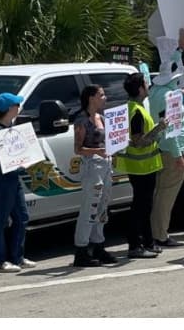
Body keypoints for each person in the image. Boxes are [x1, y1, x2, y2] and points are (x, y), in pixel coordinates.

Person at [0, 93, 36, 272]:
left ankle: (17, 257)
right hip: (0, 180)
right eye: (17, 105)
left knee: (22, 217)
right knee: (0, 220)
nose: (19, 108)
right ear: (10, 108)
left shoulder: (10, 128)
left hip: (12, 178)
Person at [113, 73, 164, 258]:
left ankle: (148, 242)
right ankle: (135, 245)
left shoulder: (132, 108)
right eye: (146, 84)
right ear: (140, 89)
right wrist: (159, 128)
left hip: (141, 166)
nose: (148, 86)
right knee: (140, 206)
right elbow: (138, 142)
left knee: (145, 206)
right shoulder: (136, 112)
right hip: (142, 167)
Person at [71, 84, 118, 267]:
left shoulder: (102, 118)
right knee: (89, 207)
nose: (105, 98)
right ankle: (81, 249)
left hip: (106, 165)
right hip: (92, 166)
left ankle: (98, 244)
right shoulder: (82, 120)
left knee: (102, 207)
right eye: (101, 95)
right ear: (91, 98)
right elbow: (78, 148)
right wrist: (96, 151)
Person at [148, 65, 184, 249]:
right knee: (166, 195)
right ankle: (160, 234)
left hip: (159, 148)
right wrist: (178, 154)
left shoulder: (154, 92)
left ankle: (155, 232)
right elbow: (172, 129)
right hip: (172, 151)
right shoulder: (170, 96)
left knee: (159, 193)